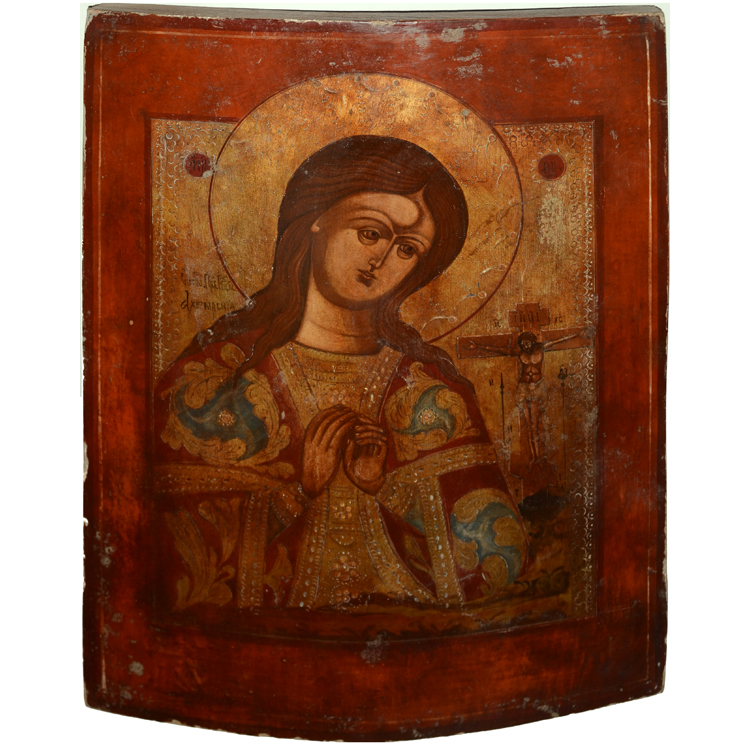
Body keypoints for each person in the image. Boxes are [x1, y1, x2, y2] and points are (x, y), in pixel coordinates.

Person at [156, 135, 527, 612]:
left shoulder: (434, 395)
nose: (381, 260)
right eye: (370, 233)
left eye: (407, 249)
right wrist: (298, 493)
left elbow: (503, 557)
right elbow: (169, 557)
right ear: (316, 216)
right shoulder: (214, 383)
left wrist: (385, 488)